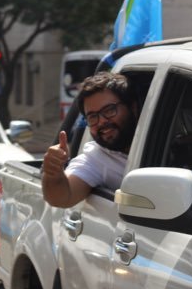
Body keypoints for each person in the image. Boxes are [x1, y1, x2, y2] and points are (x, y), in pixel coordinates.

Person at [42, 72, 138, 208]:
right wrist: (52, 173)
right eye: (93, 117)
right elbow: (62, 197)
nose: (102, 121)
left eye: (109, 110)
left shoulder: (164, 136)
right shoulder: (96, 159)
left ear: (132, 107)